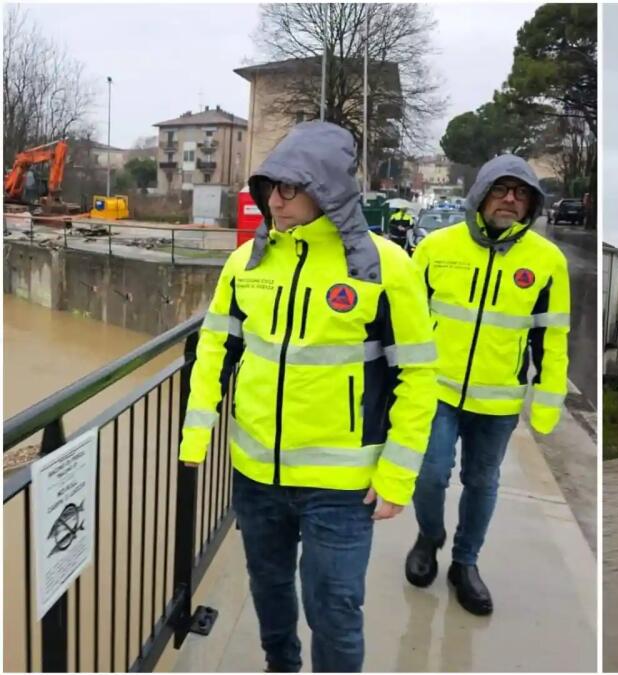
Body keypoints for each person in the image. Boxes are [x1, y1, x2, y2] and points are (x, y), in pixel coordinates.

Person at [178, 121, 437, 672]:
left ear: (328, 188)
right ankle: (282, 665)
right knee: (269, 591)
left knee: (335, 610)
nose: (276, 199)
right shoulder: (247, 262)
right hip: (255, 475)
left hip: (342, 488)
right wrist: (196, 433)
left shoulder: (386, 266)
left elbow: (418, 378)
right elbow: (214, 351)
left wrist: (397, 475)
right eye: (270, 186)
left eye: (290, 186)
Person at [406, 154, 571, 616]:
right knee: (430, 472)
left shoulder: (547, 261)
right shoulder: (437, 247)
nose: (510, 200)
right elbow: (405, 321)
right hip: (435, 388)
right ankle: (429, 535)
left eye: (521, 194)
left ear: (532, 205)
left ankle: (465, 563)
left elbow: (552, 337)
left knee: (482, 481)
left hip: (497, 399)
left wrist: (547, 402)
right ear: (480, 194)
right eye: (501, 189)